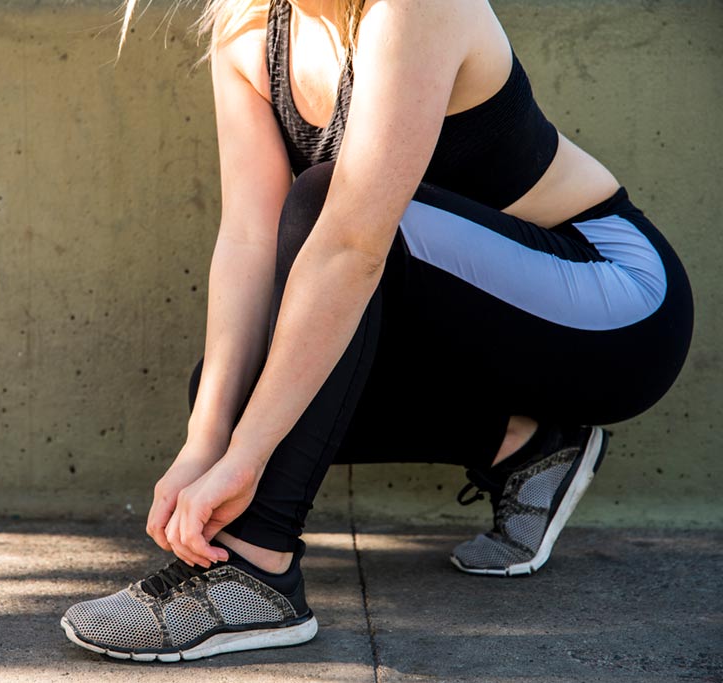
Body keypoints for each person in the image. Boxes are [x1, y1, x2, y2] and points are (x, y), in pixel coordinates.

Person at [60, 0, 694, 662]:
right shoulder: (247, 28)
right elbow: (249, 237)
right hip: (477, 324)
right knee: (228, 387)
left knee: (324, 208)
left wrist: (245, 458)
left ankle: (254, 571)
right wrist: (207, 441)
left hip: (614, 304)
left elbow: (352, 245)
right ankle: (528, 445)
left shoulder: (416, 8)